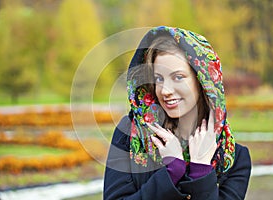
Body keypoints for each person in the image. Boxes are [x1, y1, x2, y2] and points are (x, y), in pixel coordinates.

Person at [103, 26, 251, 200]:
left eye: (178, 77)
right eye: (159, 78)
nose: (165, 90)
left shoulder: (233, 158)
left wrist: (200, 171)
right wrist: (172, 172)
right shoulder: (129, 134)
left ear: (202, 80)